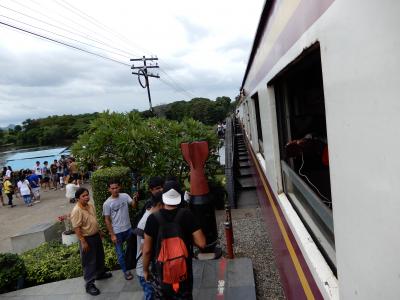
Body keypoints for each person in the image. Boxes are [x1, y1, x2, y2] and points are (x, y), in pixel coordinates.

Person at [143, 181, 206, 299]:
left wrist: (145, 270)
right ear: (180, 196)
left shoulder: (153, 218)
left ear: (163, 196)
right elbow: (202, 243)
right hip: (183, 270)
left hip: (160, 272)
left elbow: (146, 251)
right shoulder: (187, 215)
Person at [70, 187, 112, 296]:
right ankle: (89, 285)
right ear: (78, 198)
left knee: (99, 256)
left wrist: (99, 231)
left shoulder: (90, 206)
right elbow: (77, 228)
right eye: (83, 196)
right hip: (86, 239)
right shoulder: (76, 210)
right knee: (89, 262)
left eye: (87, 195)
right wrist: (83, 242)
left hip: (95, 236)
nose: (87, 197)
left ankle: (100, 274)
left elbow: (93, 220)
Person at [103, 180, 138, 280]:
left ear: (119, 187)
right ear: (109, 189)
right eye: (112, 188)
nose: (115, 190)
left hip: (128, 229)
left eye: (116, 187)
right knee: (120, 253)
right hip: (117, 232)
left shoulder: (125, 196)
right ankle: (125, 271)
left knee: (132, 248)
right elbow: (107, 220)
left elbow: (133, 206)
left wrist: (135, 199)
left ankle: (133, 265)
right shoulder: (107, 203)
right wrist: (112, 234)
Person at [136, 191, 163, 300]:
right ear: (160, 205)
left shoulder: (152, 216)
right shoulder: (147, 220)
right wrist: (146, 270)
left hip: (149, 266)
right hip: (144, 267)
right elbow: (145, 250)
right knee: (150, 294)